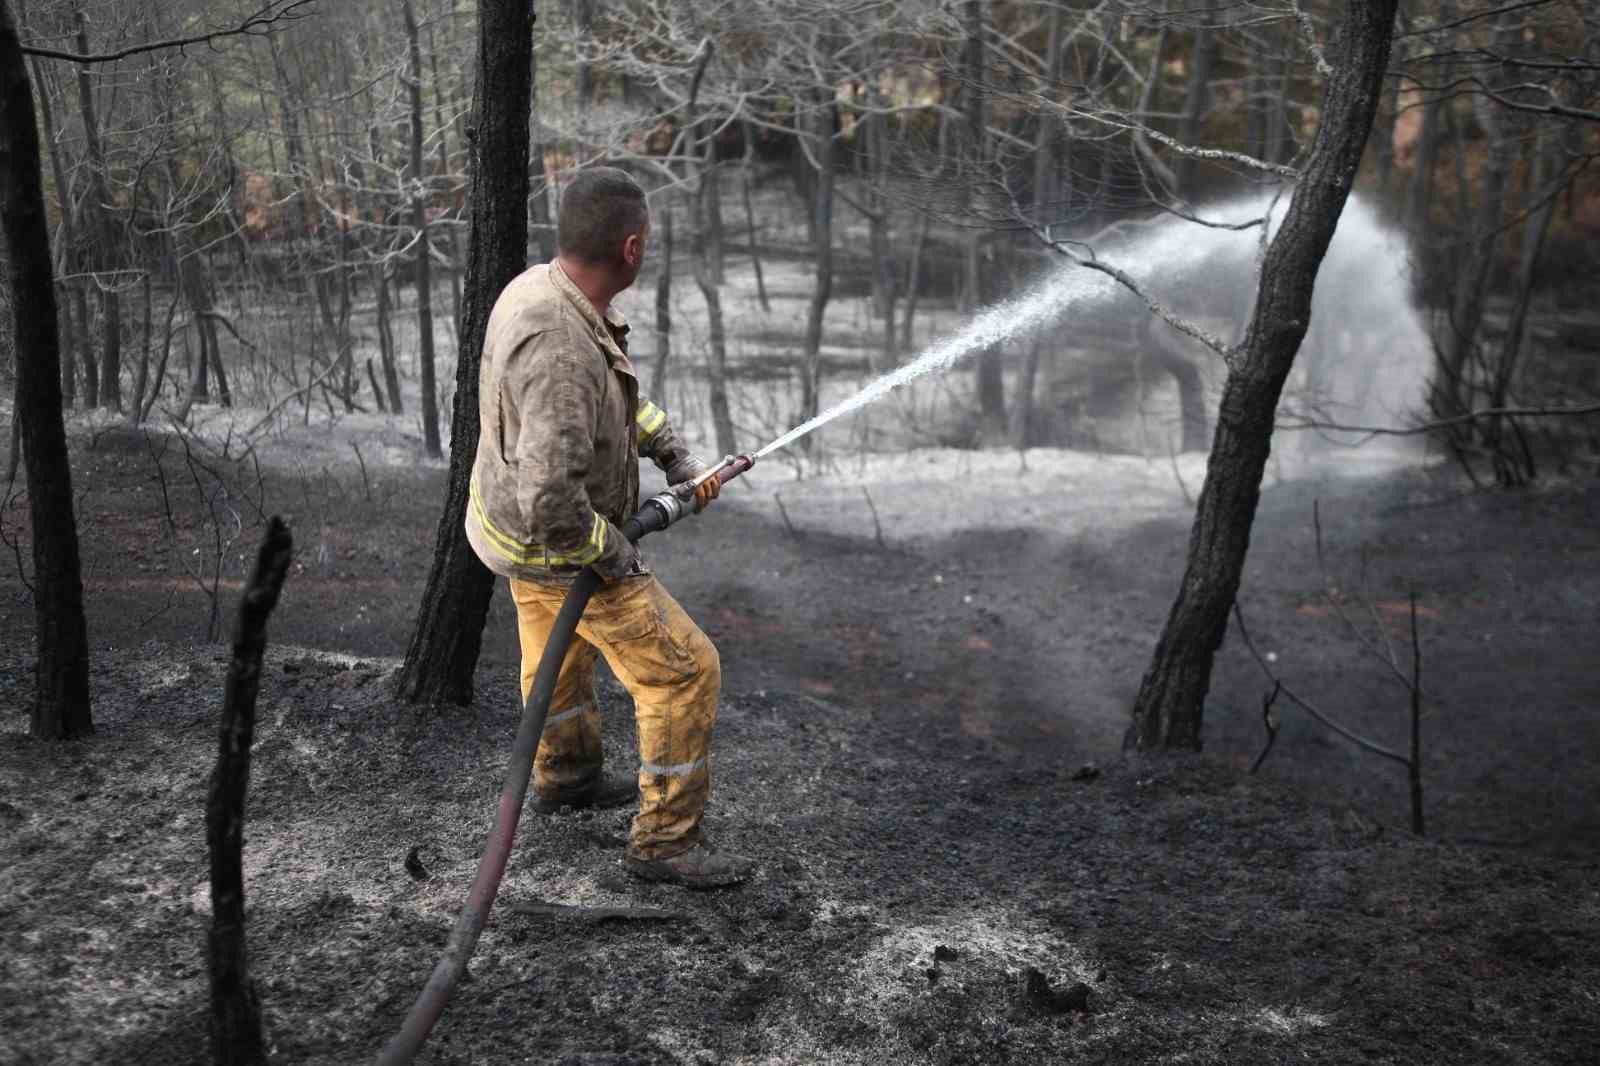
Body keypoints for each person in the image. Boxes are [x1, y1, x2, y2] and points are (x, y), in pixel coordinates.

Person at [464, 167, 754, 889]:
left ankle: (565, 779)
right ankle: (664, 845)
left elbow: (611, 398)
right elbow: (554, 506)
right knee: (687, 673)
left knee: (555, 661)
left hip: (512, 541)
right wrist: (617, 554)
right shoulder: (558, 345)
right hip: (558, 544)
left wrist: (672, 454)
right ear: (631, 248)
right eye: (646, 242)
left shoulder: (544, 289)